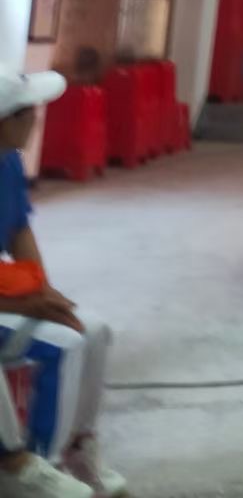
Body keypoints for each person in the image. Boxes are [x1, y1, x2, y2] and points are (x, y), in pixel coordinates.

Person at [0, 70, 123, 498]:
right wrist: (24, 306)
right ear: (4, 122)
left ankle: (78, 445)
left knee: (93, 330)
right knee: (61, 344)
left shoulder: (9, 161)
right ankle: (33, 465)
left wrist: (43, 291)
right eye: (28, 112)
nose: (36, 118)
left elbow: (18, 229)